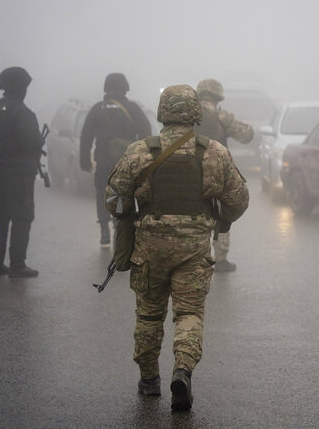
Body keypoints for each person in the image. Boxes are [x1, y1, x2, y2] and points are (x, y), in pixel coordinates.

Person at [105, 84, 249, 411]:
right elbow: (238, 201)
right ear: (195, 112)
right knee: (189, 314)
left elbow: (112, 198)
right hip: (195, 247)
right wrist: (219, 220)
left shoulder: (139, 151)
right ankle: (182, 370)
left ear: (162, 111)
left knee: (149, 315)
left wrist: (131, 218)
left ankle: (148, 380)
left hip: (150, 247)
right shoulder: (214, 152)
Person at [0, 67, 44, 277]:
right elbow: (32, 142)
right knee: (22, 217)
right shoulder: (23, 112)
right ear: (21, 88)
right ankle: (17, 265)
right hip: (19, 174)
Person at [80, 73, 152, 247]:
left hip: (103, 161)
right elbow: (146, 132)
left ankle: (104, 230)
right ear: (125, 87)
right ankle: (119, 226)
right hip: (125, 162)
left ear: (106, 88)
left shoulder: (97, 109)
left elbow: (86, 136)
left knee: (102, 195)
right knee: (123, 195)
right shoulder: (133, 108)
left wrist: (85, 159)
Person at [193, 78, 254, 272]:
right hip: (217, 172)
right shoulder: (222, 117)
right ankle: (220, 259)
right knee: (222, 214)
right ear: (218, 95)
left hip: (189, 170)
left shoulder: (187, 115)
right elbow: (247, 136)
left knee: (190, 213)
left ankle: (193, 256)